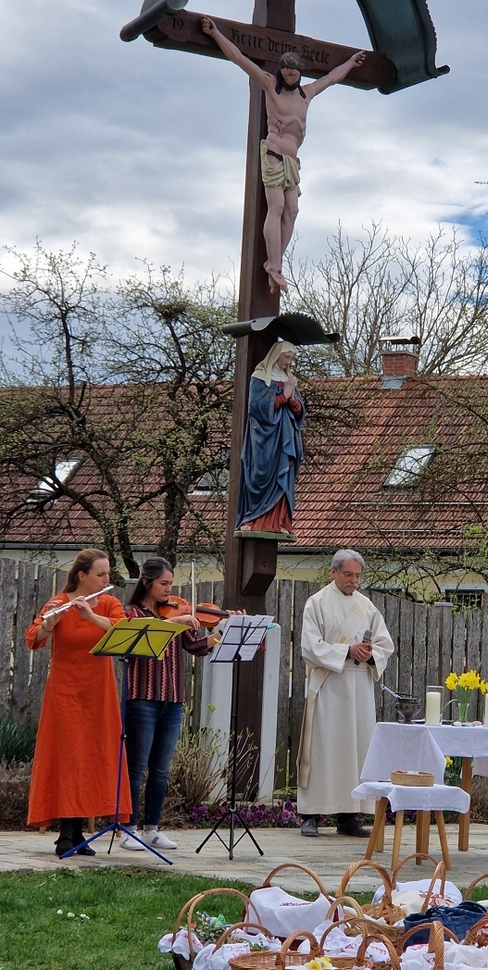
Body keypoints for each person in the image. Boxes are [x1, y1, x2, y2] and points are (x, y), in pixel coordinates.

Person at [201, 16, 366, 293]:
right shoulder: (269, 84)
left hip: (293, 161)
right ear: (280, 72)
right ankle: (274, 267)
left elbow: (332, 77)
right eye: (286, 74)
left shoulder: (307, 93)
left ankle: (275, 262)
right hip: (275, 152)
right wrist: (215, 33)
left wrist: (351, 62)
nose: (290, 78)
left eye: (294, 74)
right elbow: (239, 58)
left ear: (300, 73)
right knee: (276, 207)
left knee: (292, 210)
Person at [25, 548, 129, 858]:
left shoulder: (109, 603)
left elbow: (122, 631)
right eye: (100, 574)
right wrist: (50, 622)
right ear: (82, 576)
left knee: (93, 757)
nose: (106, 579)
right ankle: (65, 836)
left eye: (108, 574)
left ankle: (79, 833)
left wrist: (90, 616)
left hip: (99, 692)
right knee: (69, 758)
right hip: (66, 691)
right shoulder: (59, 602)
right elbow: (33, 638)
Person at [120, 557, 222, 851]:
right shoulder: (131, 613)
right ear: (146, 583)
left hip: (173, 699)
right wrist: (173, 623)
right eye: (163, 584)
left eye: (171, 584)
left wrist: (221, 632)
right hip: (142, 698)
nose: (169, 590)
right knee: (136, 768)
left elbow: (194, 646)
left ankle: (152, 829)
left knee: (160, 770)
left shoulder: (177, 611)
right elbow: (134, 643)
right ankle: (128, 829)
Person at [296, 549, 394, 837]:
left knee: (356, 750)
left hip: (359, 686)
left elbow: (385, 644)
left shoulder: (366, 606)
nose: (353, 580)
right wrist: (346, 650)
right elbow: (310, 647)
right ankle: (310, 815)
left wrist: (369, 653)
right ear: (334, 572)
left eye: (357, 575)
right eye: (348, 574)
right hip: (329, 684)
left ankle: (349, 816)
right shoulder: (317, 603)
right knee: (322, 748)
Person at [236, 340, 305, 534]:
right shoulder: (259, 377)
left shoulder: (289, 379)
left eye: (291, 358)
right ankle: (254, 519)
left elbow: (299, 411)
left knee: (283, 474)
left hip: (285, 437)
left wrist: (291, 398)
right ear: (276, 355)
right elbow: (256, 407)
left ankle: (280, 522)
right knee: (260, 473)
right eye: (286, 357)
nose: (288, 362)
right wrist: (283, 397)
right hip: (264, 437)